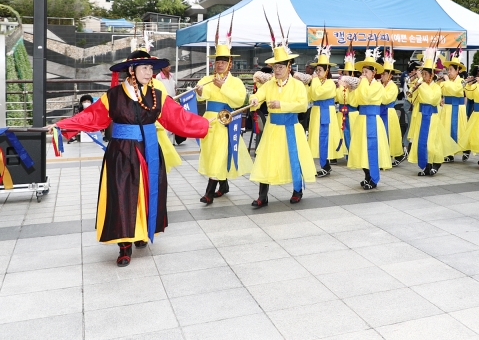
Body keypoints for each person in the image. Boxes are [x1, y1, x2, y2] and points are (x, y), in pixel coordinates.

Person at [51, 50, 209, 267]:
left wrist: (209, 124)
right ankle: (124, 245)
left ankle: (142, 232)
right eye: (144, 68)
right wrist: (62, 125)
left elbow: (179, 117)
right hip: (122, 153)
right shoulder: (113, 96)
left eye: (150, 68)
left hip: (150, 150)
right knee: (123, 196)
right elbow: (91, 116)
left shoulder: (157, 95)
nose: (149, 72)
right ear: (131, 70)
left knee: (147, 192)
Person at [249, 37, 316, 207]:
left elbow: (302, 105)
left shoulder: (297, 85)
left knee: (293, 158)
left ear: (289, 67)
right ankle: (262, 196)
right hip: (272, 128)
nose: (277, 70)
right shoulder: (270, 84)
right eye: (275, 67)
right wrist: (255, 99)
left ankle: (297, 190)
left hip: (291, 127)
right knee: (266, 159)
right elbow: (258, 94)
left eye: (280, 67)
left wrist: (282, 104)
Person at [196, 43, 254, 204]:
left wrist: (223, 87)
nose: (220, 65)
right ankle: (224, 185)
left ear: (230, 64)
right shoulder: (208, 79)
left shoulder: (235, 82)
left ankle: (209, 192)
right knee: (211, 153)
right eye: (217, 62)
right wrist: (200, 91)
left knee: (220, 153)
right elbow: (202, 95)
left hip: (227, 121)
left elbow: (240, 99)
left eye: (223, 62)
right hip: (210, 120)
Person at [408, 46, 459, 176]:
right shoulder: (420, 85)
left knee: (432, 143)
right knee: (422, 142)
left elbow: (430, 99)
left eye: (426, 74)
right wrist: (413, 89)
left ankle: (436, 163)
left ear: (432, 75)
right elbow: (413, 99)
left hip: (433, 117)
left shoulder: (436, 87)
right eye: (423, 74)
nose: (423, 76)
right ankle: (426, 166)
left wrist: (420, 84)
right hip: (421, 116)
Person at [347, 48, 392, 188]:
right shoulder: (362, 85)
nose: (363, 75)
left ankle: (374, 178)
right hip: (362, 119)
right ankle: (367, 175)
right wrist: (351, 89)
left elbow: (367, 96)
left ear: (374, 73)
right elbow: (353, 103)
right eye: (363, 72)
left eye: (366, 72)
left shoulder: (378, 86)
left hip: (373, 119)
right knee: (362, 149)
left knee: (372, 148)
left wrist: (362, 83)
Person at [307, 42, 345, 178]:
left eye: (320, 71)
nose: (317, 73)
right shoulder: (318, 82)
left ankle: (325, 165)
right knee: (317, 137)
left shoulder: (329, 83)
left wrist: (314, 81)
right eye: (316, 70)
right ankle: (324, 165)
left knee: (325, 138)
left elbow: (317, 94)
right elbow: (310, 96)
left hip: (325, 112)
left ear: (326, 72)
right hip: (317, 111)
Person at [440, 49, 469, 162]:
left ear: (457, 71)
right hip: (447, 108)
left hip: (458, 108)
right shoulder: (446, 81)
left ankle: (466, 149)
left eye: (451, 70)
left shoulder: (461, 81)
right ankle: (449, 153)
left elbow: (456, 90)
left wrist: (446, 82)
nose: (449, 72)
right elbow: (441, 89)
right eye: (448, 70)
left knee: (460, 130)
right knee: (446, 129)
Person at [380, 49, 405, 165]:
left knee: (390, 135)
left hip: (389, 112)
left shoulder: (393, 87)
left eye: (384, 74)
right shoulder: (381, 85)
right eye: (382, 73)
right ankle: (386, 155)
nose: (382, 76)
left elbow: (385, 99)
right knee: (383, 135)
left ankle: (398, 154)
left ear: (390, 75)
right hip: (381, 112)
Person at [336, 43, 360, 154]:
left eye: (347, 73)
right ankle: (344, 153)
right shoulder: (341, 84)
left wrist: (350, 89)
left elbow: (354, 102)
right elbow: (338, 97)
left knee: (353, 133)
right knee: (342, 133)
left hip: (352, 112)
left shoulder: (356, 85)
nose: (345, 75)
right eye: (344, 73)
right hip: (342, 111)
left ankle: (353, 153)